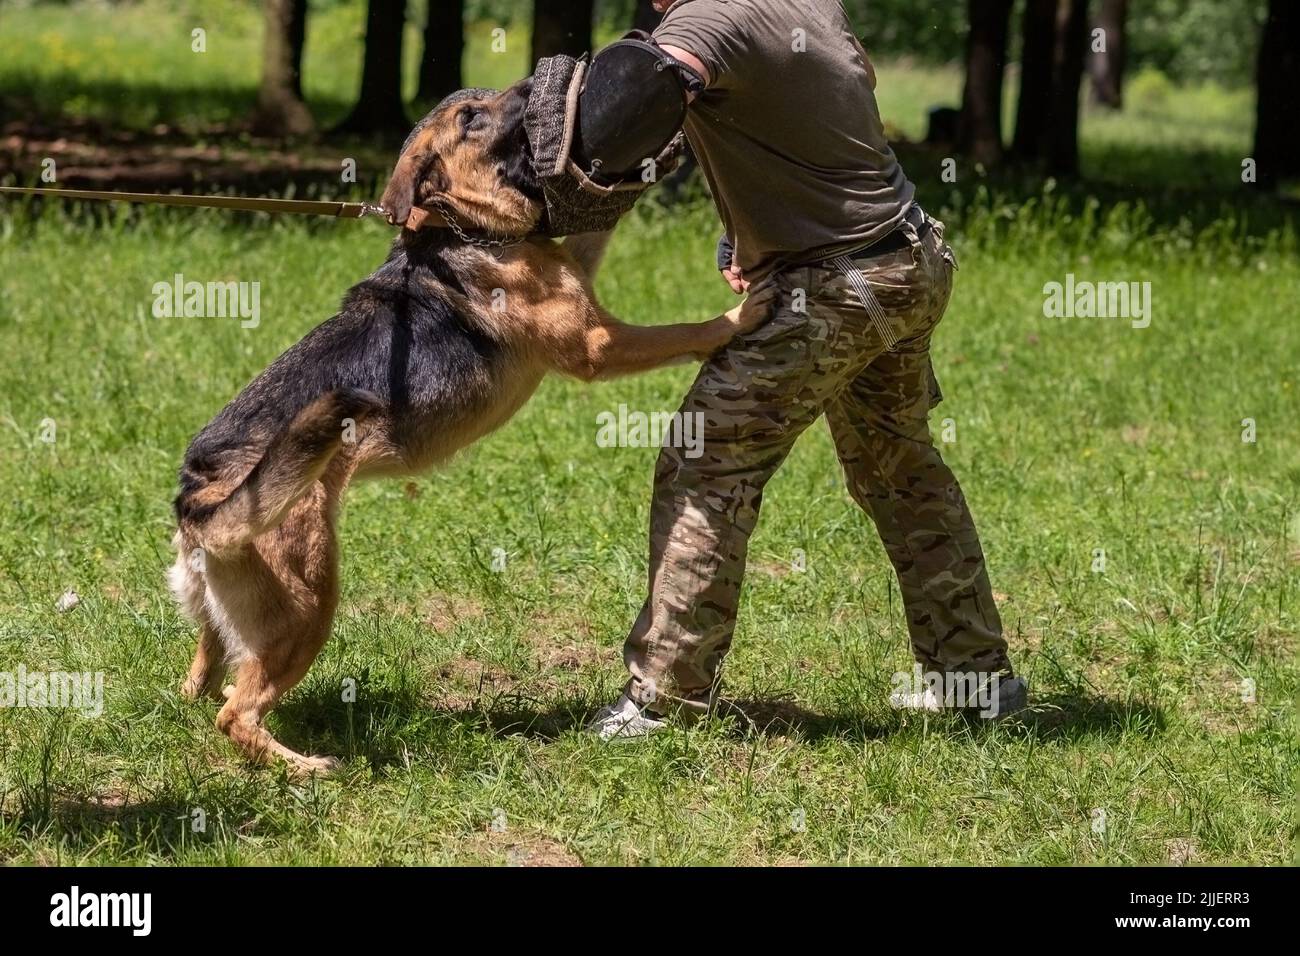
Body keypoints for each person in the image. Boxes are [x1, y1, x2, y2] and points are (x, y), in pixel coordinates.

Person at [589, 0, 1026, 738]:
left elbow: (644, 98)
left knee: (708, 458)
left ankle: (664, 700)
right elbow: (843, 82)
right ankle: (976, 683)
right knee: (899, 469)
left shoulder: (700, 24)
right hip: (908, 260)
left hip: (836, 288)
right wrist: (747, 233)